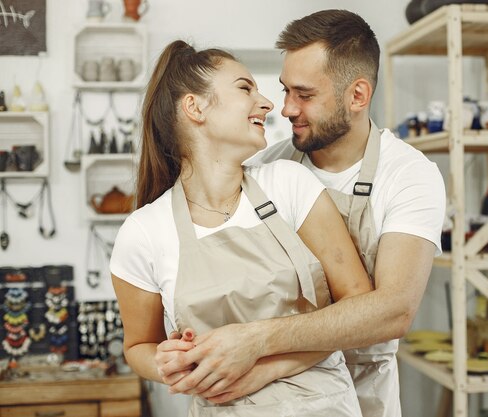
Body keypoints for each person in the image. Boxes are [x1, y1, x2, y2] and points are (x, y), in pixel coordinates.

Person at [161, 9, 446, 417]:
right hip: (263, 393)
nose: (286, 108)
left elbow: (392, 311)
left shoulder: (408, 175)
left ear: (358, 96)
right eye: (285, 90)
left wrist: (257, 342)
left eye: (305, 94)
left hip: (363, 390)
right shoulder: (273, 169)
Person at [109, 39, 375, 416]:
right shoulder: (144, 232)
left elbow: (359, 308)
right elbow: (139, 347)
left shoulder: (288, 184)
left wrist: (260, 367)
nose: (267, 103)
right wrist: (165, 363)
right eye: (245, 88)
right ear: (194, 107)